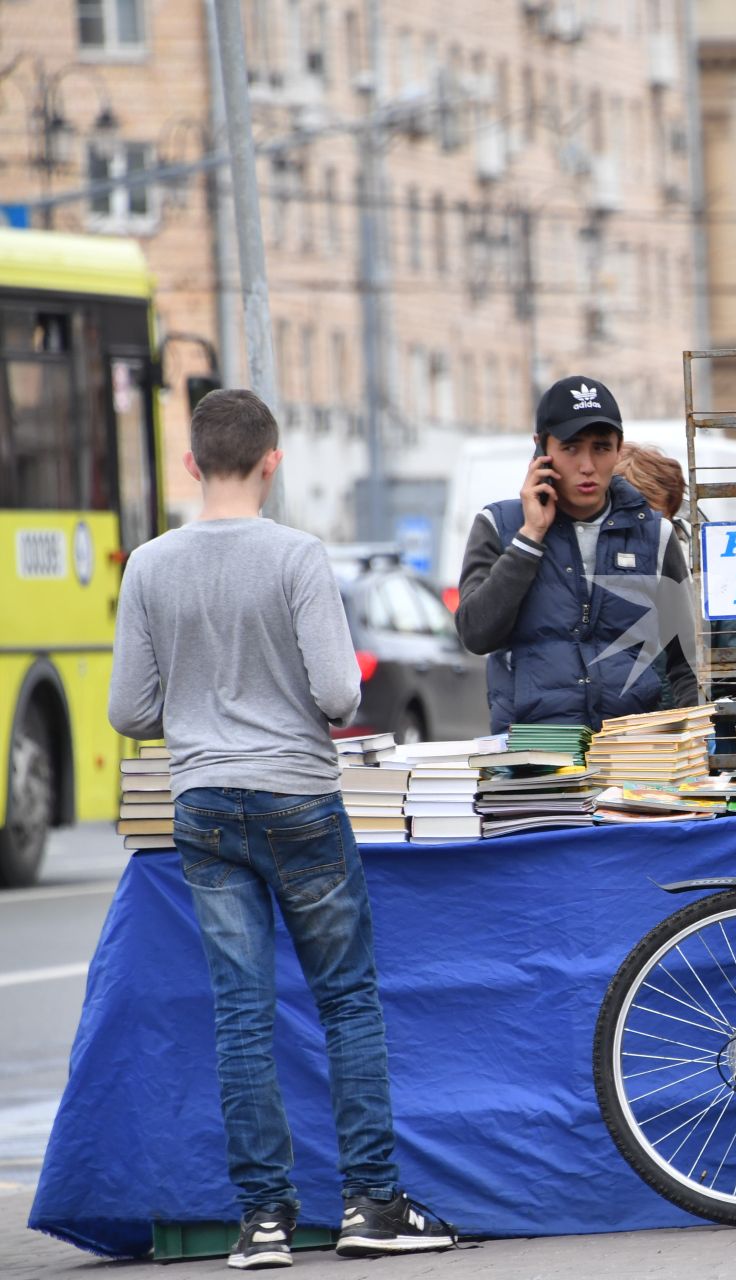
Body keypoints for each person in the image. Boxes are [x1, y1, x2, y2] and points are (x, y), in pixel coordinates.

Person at [108, 390, 455, 1269]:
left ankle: (263, 1220)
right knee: (344, 1000)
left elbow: (128, 708)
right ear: (274, 460)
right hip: (299, 800)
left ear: (191, 464)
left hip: (203, 805)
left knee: (241, 1015)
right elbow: (341, 695)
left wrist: (202, 708)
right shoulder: (300, 557)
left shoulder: (148, 565)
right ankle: (372, 1205)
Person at [455, 376, 698, 731]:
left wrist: (688, 741)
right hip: (530, 758)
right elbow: (476, 635)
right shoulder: (499, 525)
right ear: (541, 448)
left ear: (618, 449)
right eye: (570, 448)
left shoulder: (653, 534)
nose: (587, 465)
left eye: (601, 448)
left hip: (634, 758)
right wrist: (530, 537)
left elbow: (686, 661)